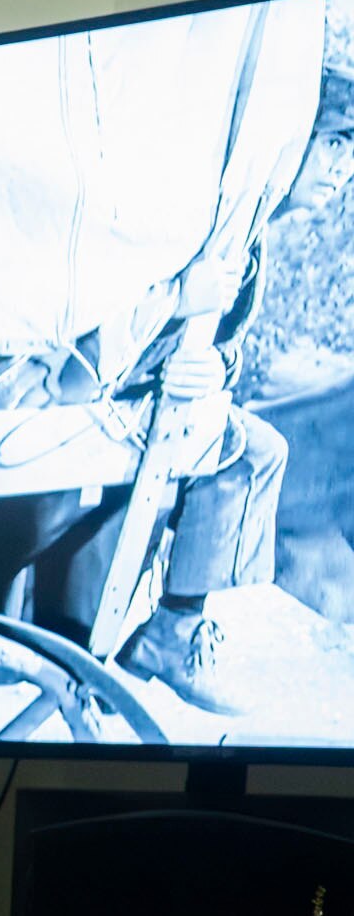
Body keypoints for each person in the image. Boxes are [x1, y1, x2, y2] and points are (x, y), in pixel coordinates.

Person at [107, 65, 354, 711]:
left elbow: (223, 341)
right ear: (285, 138)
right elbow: (107, 311)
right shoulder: (205, 212)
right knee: (252, 449)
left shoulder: (249, 228)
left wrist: (216, 366)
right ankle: (175, 626)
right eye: (333, 139)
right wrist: (172, 313)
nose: (344, 166)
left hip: (156, 397)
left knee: (256, 441)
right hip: (103, 405)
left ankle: (181, 621)